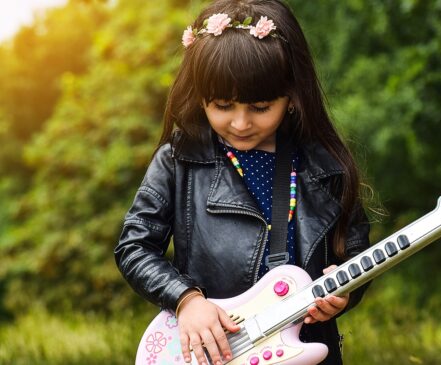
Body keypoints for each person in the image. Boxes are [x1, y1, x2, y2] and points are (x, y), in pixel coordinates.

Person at [114, 1, 371, 364]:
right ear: (200, 96)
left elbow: (356, 252)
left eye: (260, 107)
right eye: (222, 106)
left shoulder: (327, 166)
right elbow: (134, 247)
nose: (240, 123)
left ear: (293, 96)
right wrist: (186, 300)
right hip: (216, 352)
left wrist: (346, 292)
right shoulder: (177, 159)